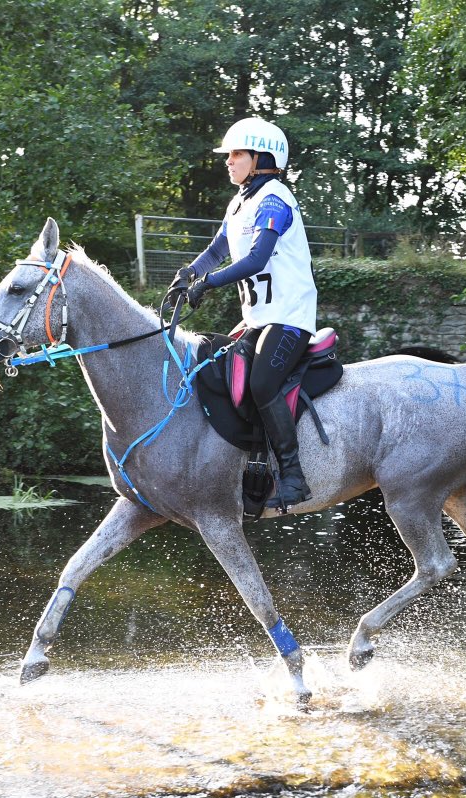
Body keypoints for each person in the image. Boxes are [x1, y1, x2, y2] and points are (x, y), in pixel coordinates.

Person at [173, 117, 318, 509]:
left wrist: (210, 283)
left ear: (260, 158)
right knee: (220, 370)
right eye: (230, 154)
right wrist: (188, 275)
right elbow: (217, 251)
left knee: (262, 383)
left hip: (289, 317)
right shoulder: (240, 203)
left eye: (236, 154)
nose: (229, 161)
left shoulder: (275, 199)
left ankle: (293, 477)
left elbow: (256, 259)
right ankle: (247, 468)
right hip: (258, 319)